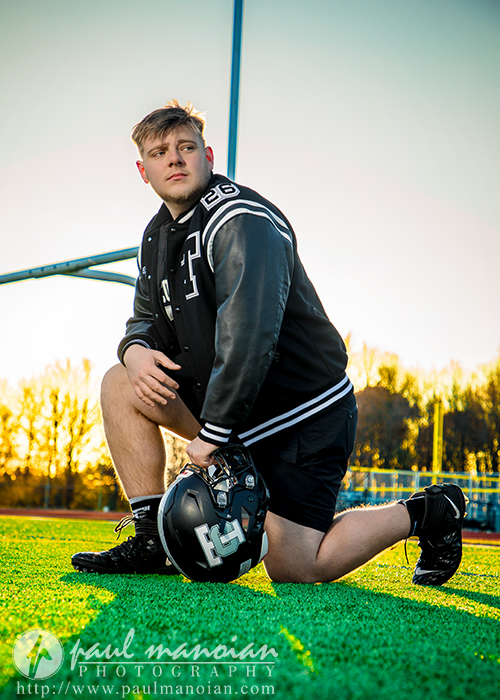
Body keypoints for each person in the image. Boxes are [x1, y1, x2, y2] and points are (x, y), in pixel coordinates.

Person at [72, 101, 466, 585]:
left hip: (302, 414)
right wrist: (133, 352)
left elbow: (250, 336)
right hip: (236, 412)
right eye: (159, 152)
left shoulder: (242, 220)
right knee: (122, 382)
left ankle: (430, 510)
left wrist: (212, 435)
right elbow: (146, 321)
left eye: (185, 147)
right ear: (143, 170)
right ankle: (153, 538)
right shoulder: (156, 235)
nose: (174, 159)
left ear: (208, 155)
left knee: (295, 566)